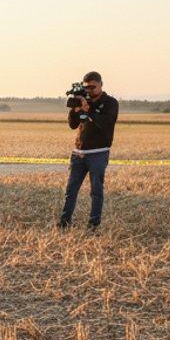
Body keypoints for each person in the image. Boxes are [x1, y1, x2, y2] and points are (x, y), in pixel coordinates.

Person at [59, 71, 119, 230]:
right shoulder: (82, 100)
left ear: (101, 84)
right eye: (87, 88)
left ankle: (93, 225)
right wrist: (76, 110)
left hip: (99, 152)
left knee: (96, 191)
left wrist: (89, 110)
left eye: (93, 87)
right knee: (71, 190)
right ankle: (64, 222)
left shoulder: (110, 103)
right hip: (78, 153)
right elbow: (72, 125)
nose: (90, 91)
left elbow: (105, 123)